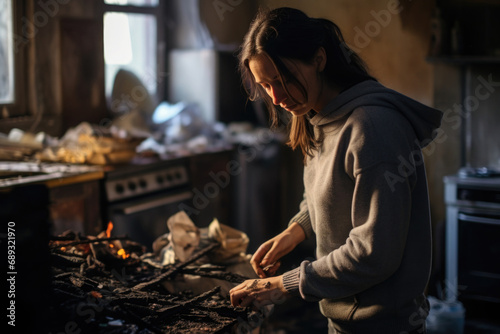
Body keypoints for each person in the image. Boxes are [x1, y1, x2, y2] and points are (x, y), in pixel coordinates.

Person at [229, 7, 443, 334]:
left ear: (318, 59)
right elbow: (328, 194)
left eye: (284, 79)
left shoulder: (373, 129)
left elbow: (373, 254)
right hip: (342, 319)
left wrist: (281, 284)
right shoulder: (315, 115)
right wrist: (295, 231)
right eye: (266, 85)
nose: (277, 97)